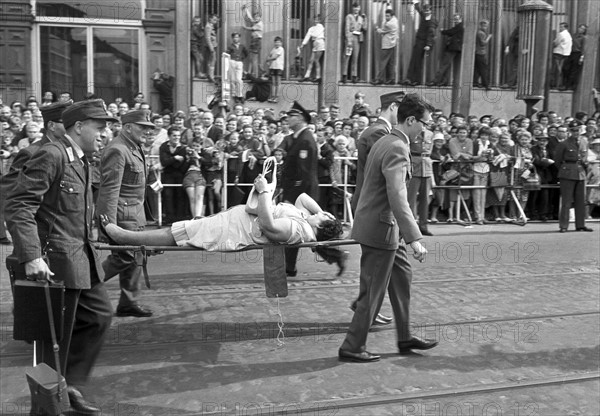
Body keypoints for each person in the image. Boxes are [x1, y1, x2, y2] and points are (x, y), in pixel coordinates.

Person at [5, 99, 115, 414]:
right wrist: (32, 256)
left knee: (98, 317)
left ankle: (71, 385)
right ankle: (45, 409)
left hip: (81, 261)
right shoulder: (51, 155)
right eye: (99, 126)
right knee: (51, 345)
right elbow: (19, 206)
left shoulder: (81, 159)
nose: (104, 133)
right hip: (53, 265)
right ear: (78, 127)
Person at [339, 93, 436, 363]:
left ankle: (404, 336)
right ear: (412, 120)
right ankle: (352, 346)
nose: (426, 131)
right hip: (381, 228)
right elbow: (396, 195)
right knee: (373, 291)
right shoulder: (396, 146)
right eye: (425, 124)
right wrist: (414, 237)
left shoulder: (386, 140)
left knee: (402, 278)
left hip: (383, 226)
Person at [101, 187, 342, 252]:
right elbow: (303, 197)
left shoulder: (297, 229)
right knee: (187, 228)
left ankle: (126, 237)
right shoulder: (304, 221)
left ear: (321, 224)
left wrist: (266, 191)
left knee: (183, 231)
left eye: (322, 215)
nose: (317, 212)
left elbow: (269, 226)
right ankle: (127, 238)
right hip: (233, 222)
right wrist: (321, 215)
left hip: (233, 231)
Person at [97, 110, 155, 318]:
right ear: (128, 127)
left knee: (136, 256)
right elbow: (110, 189)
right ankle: (84, 285)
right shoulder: (118, 150)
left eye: (148, 129)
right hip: (122, 215)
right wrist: (108, 225)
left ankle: (128, 303)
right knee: (124, 257)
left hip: (135, 214)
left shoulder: (133, 146)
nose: (146, 132)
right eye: (142, 127)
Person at [278, 102, 347, 277]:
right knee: (300, 233)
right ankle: (291, 267)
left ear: (301, 118)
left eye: (292, 116)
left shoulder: (306, 139)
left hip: (302, 193)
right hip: (296, 192)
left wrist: (291, 198)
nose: (288, 119)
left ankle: (337, 256)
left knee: (310, 234)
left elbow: (305, 173)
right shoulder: (297, 138)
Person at [554, 120, 593, 232]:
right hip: (568, 172)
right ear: (570, 131)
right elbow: (557, 161)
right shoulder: (564, 144)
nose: (576, 132)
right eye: (574, 130)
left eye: (578, 130)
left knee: (581, 200)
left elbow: (584, 157)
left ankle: (580, 224)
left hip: (580, 172)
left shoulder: (584, 142)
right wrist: (565, 170)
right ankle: (564, 225)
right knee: (566, 201)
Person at [407, 120, 435, 235]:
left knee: (425, 199)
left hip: (426, 166)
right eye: (422, 124)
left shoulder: (430, 134)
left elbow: (430, 150)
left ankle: (423, 226)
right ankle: (410, 227)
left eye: (426, 124)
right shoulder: (412, 133)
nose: (424, 126)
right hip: (415, 163)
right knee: (411, 198)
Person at [403, 2, 437, 86]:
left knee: (418, 62)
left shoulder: (431, 21)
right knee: (414, 60)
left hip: (424, 43)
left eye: (428, 10)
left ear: (431, 11)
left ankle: (416, 80)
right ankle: (409, 79)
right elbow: (420, 10)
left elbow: (431, 33)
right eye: (425, 10)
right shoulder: (425, 16)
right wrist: (416, 4)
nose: (426, 12)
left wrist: (428, 45)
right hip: (419, 41)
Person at [430, 14, 463, 86]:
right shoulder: (459, 27)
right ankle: (444, 81)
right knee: (447, 65)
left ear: (461, 19)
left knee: (444, 65)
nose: (455, 21)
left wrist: (442, 31)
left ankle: (435, 81)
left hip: (453, 48)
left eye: (457, 19)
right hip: (455, 48)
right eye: (455, 19)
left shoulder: (459, 26)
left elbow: (450, 32)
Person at [341, 3, 367, 84]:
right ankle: (344, 75)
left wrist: (365, 19)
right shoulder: (349, 16)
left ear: (359, 8)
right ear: (352, 8)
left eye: (357, 7)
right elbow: (346, 29)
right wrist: (348, 40)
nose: (356, 9)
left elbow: (365, 28)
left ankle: (354, 76)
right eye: (355, 7)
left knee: (355, 58)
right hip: (350, 37)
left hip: (357, 39)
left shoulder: (360, 18)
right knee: (347, 57)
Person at [371, 9, 398, 85]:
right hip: (393, 44)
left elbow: (381, 31)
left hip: (387, 45)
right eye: (386, 15)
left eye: (388, 16)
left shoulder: (389, 24)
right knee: (391, 63)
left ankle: (379, 79)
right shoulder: (395, 20)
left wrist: (376, 28)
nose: (386, 17)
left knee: (383, 62)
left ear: (392, 16)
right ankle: (392, 79)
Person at [298, 15, 325, 82]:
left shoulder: (321, 26)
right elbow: (307, 36)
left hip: (320, 43)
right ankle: (307, 76)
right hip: (315, 44)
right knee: (311, 61)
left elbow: (315, 34)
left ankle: (318, 77)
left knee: (316, 60)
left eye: (317, 19)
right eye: (315, 19)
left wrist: (312, 34)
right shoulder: (311, 28)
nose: (316, 20)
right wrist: (303, 44)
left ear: (319, 20)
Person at [227, 32, 249, 104]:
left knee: (239, 80)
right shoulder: (230, 46)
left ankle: (239, 95)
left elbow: (246, 53)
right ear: (232, 38)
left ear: (239, 38)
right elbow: (227, 54)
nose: (236, 39)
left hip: (239, 62)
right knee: (233, 79)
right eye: (234, 37)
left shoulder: (242, 46)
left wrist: (242, 58)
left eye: (237, 37)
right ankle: (234, 95)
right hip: (232, 62)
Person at [242, 6, 264, 78]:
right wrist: (246, 9)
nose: (255, 18)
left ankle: (255, 74)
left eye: (257, 17)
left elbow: (251, 28)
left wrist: (245, 27)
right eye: (255, 17)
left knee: (254, 59)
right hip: (253, 41)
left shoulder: (260, 24)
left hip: (256, 41)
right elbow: (250, 18)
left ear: (260, 18)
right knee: (251, 58)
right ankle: (249, 72)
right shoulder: (256, 22)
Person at [551, 22, 572, 90]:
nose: (560, 28)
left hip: (558, 52)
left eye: (561, 27)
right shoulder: (569, 35)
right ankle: (560, 84)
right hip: (566, 53)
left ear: (565, 28)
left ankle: (555, 84)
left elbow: (556, 43)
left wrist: (552, 42)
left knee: (557, 70)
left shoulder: (561, 34)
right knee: (561, 70)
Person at [474, 19, 492, 89]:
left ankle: (475, 83)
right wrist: (489, 38)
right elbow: (483, 43)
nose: (485, 27)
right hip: (480, 53)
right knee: (483, 69)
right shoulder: (481, 33)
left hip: (477, 53)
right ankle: (486, 85)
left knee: (478, 69)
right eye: (484, 25)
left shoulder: (479, 32)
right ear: (480, 26)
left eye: (486, 26)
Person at [266, 36, 284, 103]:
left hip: (278, 67)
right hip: (272, 67)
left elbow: (275, 57)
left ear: (281, 43)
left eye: (279, 42)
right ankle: (273, 96)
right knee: (273, 82)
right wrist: (268, 61)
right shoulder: (273, 49)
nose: (277, 43)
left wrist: (268, 59)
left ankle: (277, 97)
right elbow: (270, 55)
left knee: (278, 82)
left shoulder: (281, 49)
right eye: (276, 42)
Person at [204, 14, 219, 82]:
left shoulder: (211, 25)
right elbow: (207, 38)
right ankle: (211, 76)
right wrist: (211, 48)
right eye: (214, 19)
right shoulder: (208, 26)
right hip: (211, 46)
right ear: (210, 19)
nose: (215, 21)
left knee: (211, 60)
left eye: (216, 20)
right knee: (212, 60)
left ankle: (209, 75)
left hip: (213, 45)